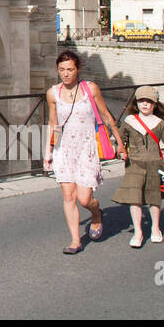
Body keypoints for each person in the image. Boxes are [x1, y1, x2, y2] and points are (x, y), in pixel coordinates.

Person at [43, 50, 124, 254]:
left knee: (84, 199)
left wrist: (119, 142)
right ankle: (75, 241)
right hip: (64, 151)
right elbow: (54, 124)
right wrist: (49, 150)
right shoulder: (53, 93)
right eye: (62, 69)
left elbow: (106, 116)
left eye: (70, 69)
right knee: (68, 196)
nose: (66, 74)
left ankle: (96, 214)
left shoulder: (90, 89)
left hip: (86, 149)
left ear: (78, 69)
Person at [112, 87, 164, 247]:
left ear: (155, 104)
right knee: (134, 199)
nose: (145, 104)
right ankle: (138, 232)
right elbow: (121, 140)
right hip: (134, 164)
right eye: (141, 101)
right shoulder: (130, 121)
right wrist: (120, 152)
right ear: (136, 103)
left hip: (154, 164)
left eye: (149, 101)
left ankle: (155, 228)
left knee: (154, 198)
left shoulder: (159, 123)